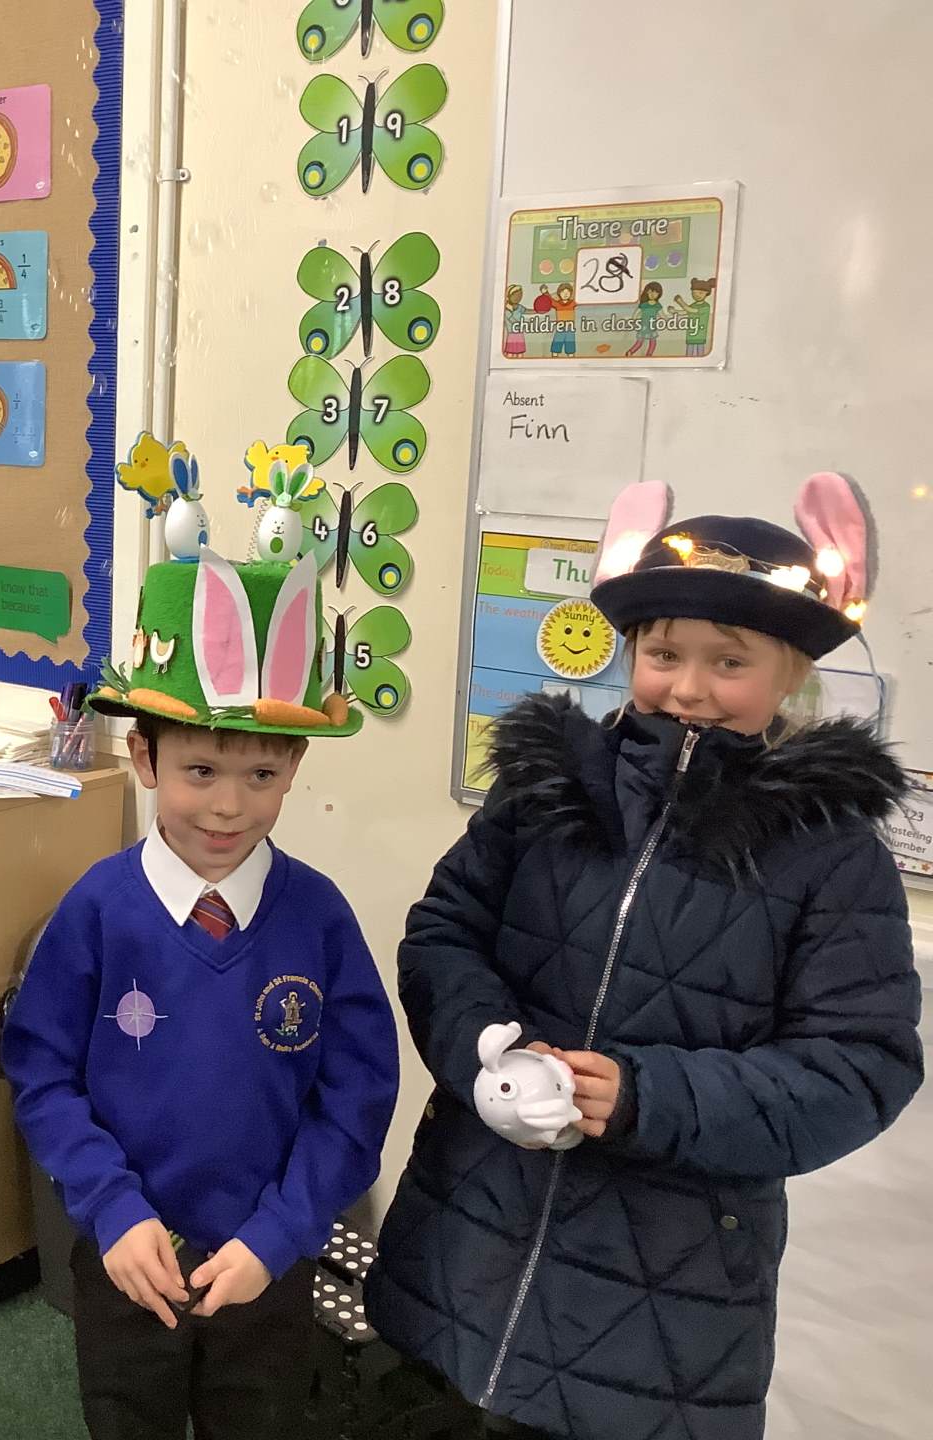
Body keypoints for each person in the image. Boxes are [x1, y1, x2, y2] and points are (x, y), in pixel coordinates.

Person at [366, 478, 924, 1440]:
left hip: (665, 1305)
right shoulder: (546, 788)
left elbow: (860, 1066)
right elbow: (445, 931)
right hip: (463, 1239)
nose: (689, 688)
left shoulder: (831, 851)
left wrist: (643, 1098)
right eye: (664, 654)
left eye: (730, 662)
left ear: (790, 673)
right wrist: (484, 1052)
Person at [4, 547, 400, 1438]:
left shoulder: (320, 918)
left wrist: (280, 1234)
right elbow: (41, 1074)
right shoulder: (97, 909)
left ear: (294, 765)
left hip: (267, 1264)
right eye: (201, 772)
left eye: (261, 776)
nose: (228, 807)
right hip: (127, 1255)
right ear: (144, 756)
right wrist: (111, 1207)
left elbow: (358, 1097)